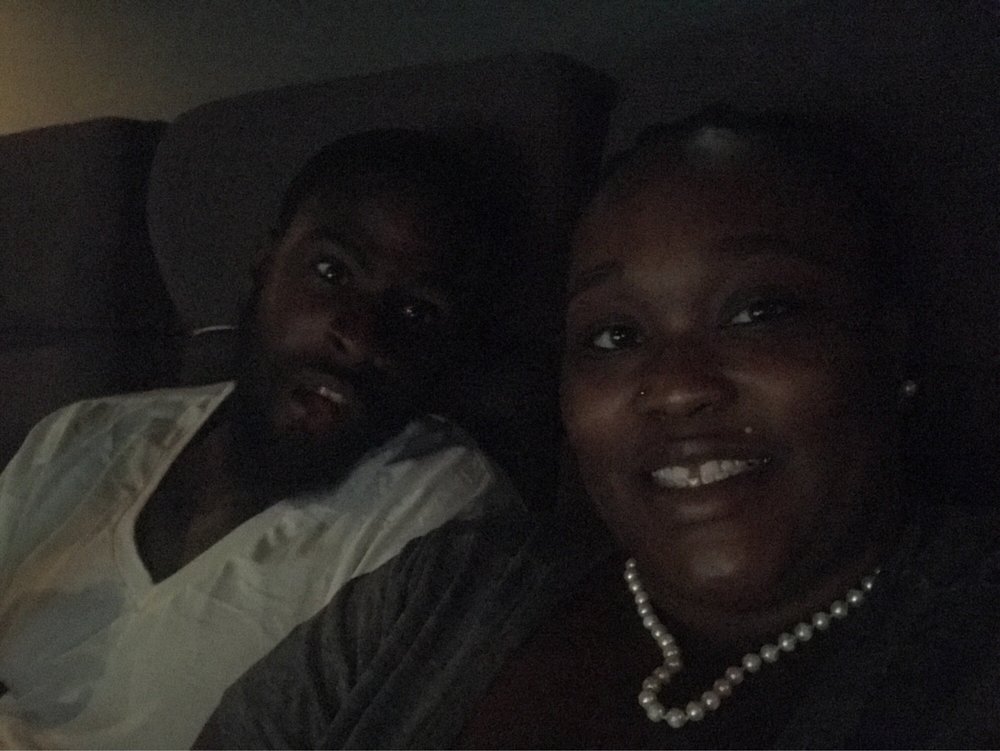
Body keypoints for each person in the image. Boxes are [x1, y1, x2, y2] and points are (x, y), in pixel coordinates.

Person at [198, 107, 1000, 749]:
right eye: (615, 335)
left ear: (889, 347)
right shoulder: (442, 590)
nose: (675, 388)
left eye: (760, 311)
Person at [0, 128, 521, 749]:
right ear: (266, 261)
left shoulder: (432, 513)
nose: (358, 336)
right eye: (331, 272)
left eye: (415, 312)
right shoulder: (82, 435)